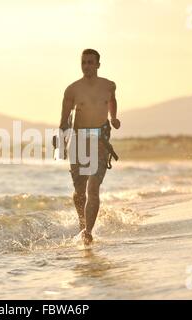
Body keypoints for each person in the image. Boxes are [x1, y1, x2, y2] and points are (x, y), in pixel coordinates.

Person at [58, 48, 120, 245]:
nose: (86, 66)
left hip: (99, 140)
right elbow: (63, 121)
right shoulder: (72, 90)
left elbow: (112, 101)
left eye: (90, 62)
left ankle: (88, 232)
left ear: (98, 65)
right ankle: (81, 221)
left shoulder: (109, 85)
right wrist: (61, 139)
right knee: (79, 191)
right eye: (84, 62)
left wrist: (113, 118)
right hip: (78, 140)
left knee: (93, 188)